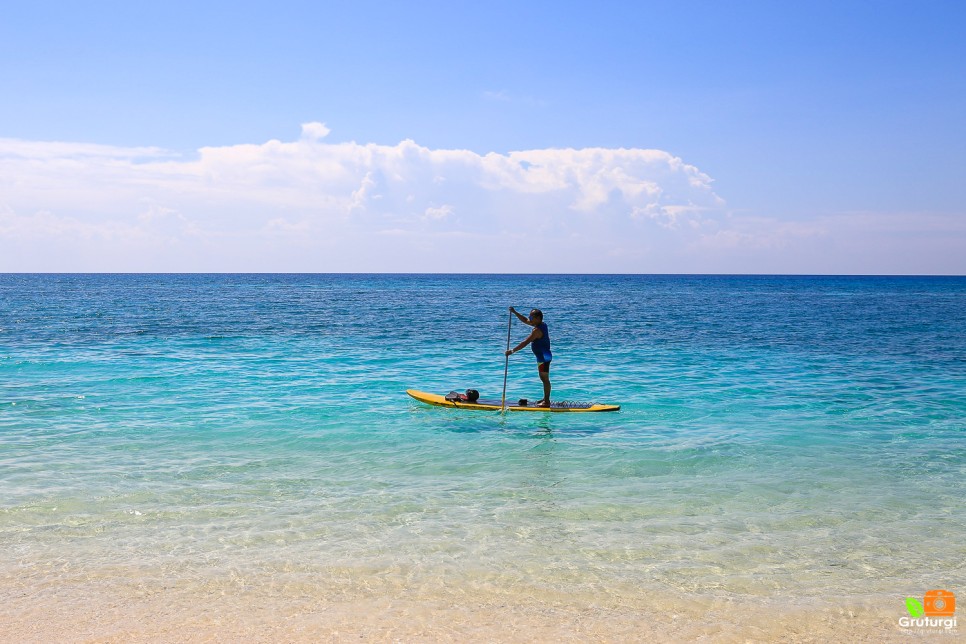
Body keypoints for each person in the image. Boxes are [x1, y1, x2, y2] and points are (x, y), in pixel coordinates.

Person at [505, 307, 552, 407]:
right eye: (530, 316)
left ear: (538, 318)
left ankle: (546, 401)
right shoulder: (541, 324)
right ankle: (545, 398)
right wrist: (515, 312)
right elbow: (525, 320)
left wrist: (512, 351)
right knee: (543, 378)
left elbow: (525, 342)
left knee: (545, 379)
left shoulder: (537, 330)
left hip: (544, 357)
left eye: (531, 316)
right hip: (543, 356)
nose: (529, 318)